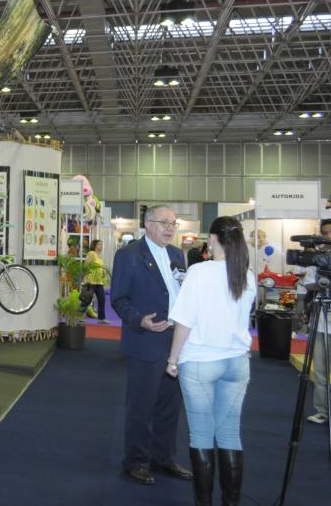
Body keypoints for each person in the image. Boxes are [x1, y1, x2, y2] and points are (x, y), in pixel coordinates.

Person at [166, 216, 255, 506]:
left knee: (201, 435)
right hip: (237, 362)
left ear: (212, 239)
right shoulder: (247, 275)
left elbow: (184, 321)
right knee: (230, 435)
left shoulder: (199, 272)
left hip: (200, 362)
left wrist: (172, 359)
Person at [111, 204, 192, 486]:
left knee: (169, 407)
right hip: (145, 340)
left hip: (174, 341)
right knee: (141, 407)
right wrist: (139, 321)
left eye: (173, 224)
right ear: (148, 223)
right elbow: (118, 299)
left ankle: (163, 458)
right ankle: (135, 462)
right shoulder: (129, 255)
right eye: (164, 222)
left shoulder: (177, 254)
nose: (170, 228)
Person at [305, 219, 331, 425]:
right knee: (320, 371)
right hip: (321, 322)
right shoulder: (318, 259)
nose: (327, 236)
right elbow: (308, 284)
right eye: (325, 232)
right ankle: (322, 411)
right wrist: (322, 283)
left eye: (330, 232)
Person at [84, 239, 109, 323]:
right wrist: (86, 278)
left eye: (101, 244)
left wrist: (103, 274)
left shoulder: (100, 256)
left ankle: (101, 318)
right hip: (91, 281)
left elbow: (101, 267)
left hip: (99, 282)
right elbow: (86, 265)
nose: (101, 246)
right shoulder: (91, 253)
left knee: (102, 299)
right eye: (99, 244)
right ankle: (78, 315)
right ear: (95, 245)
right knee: (87, 300)